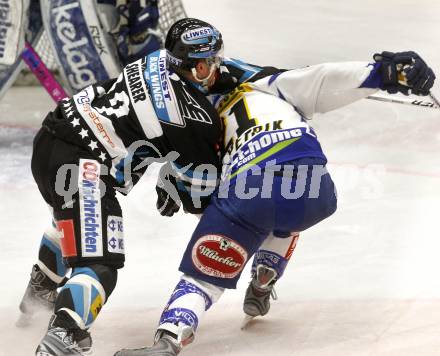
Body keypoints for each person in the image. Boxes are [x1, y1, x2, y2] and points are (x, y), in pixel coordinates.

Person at [113, 19, 436, 356]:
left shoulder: (188, 113)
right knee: (288, 210)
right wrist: (386, 74)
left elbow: (198, 190)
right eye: (202, 64)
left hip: (252, 187)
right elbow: (321, 79)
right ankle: (267, 273)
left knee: (206, 274)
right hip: (318, 187)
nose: (211, 69)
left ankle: (169, 339)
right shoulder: (263, 83)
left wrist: (174, 181)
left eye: (213, 61)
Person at [23, 18, 229, 356]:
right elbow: (200, 198)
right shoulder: (195, 115)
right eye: (212, 64)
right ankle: (64, 334)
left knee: (70, 223)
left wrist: (171, 171)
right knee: (100, 264)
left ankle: (42, 292)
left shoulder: (156, 59)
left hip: (50, 138)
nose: (217, 71)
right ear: (199, 66)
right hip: (83, 166)